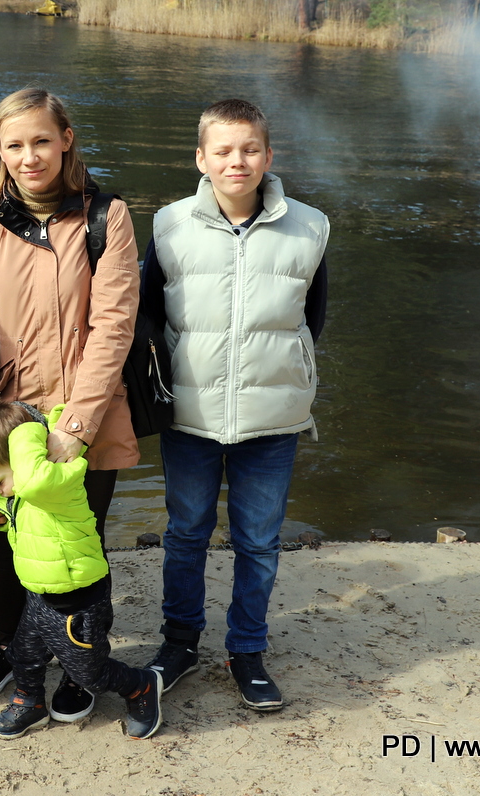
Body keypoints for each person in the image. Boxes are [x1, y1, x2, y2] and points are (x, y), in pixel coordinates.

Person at [0, 88, 140, 721]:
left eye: (41, 140)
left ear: (66, 139)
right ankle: (11, 647)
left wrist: (78, 427)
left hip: (86, 415)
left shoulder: (107, 215)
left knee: (76, 549)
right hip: (12, 418)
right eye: (14, 145)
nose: (29, 156)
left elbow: (113, 326)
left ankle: (80, 663)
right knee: (7, 545)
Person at [139, 98, 329, 711]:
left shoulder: (309, 227)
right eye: (222, 150)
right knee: (186, 535)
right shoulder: (169, 225)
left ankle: (246, 650)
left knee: (258, 542)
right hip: (190, 417)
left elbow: (312, 317)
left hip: (272, 420)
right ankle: (180, 644)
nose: (236, 160)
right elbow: (147, 314)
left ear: (268, 155)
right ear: (201, 158)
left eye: (249, 148)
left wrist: (278, 372)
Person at [0, 401, 162, 739]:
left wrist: (26, 428)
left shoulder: (60, 479)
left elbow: (32, 484)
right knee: (22, 654)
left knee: (89, 673)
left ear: (21, 455)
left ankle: (140, 686)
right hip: (39, 594)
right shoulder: (19, 489)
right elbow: (21, 516)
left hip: (77, 603)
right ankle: (29, 702)